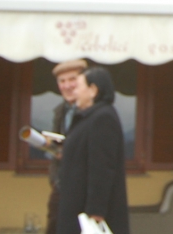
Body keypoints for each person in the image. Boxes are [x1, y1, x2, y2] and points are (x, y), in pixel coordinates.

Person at [57, 67, 130, 234]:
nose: (74, 91)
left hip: (88, 212)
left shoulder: (103, 118)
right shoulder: (88, 117)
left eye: (78, 86)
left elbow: (103, 167)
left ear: (93, 90)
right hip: (77, 205)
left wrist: (96, 210)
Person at [46, 59, 88, 234]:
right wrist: (52, 148)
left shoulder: (95, 112)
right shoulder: (60, 112)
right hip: (61, 185)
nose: (67, 86)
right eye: (62, 81)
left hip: (85, 188)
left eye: (72, 79)